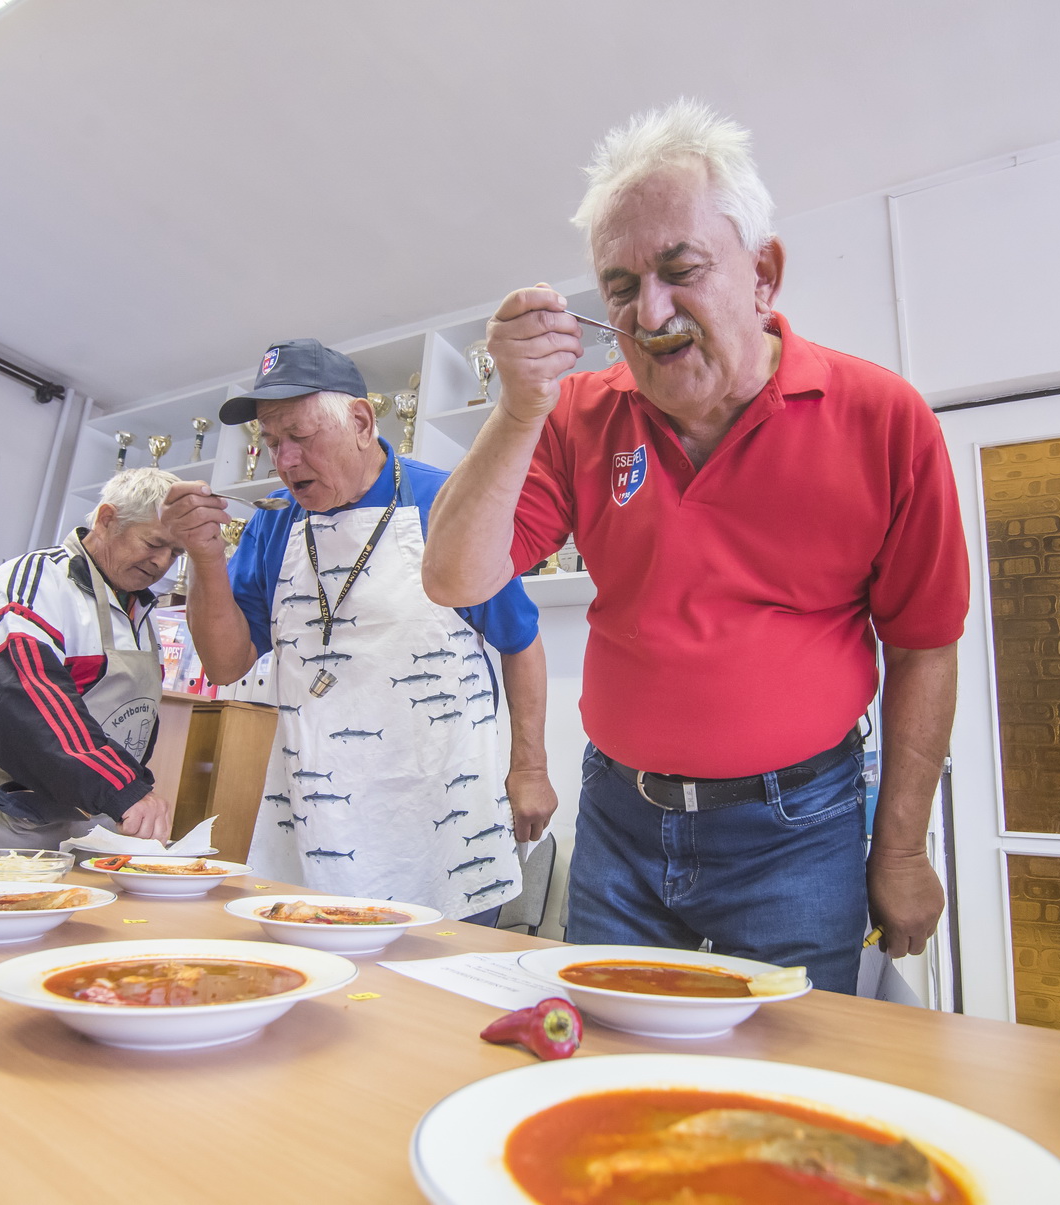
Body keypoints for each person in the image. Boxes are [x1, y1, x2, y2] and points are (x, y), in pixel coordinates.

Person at [422, 101, 969, 993]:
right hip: (619, 817)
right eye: (621, 288)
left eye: (680, 271)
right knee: (609, 1051)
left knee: (786, 1064)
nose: (650, 312)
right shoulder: (576, 414)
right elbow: (452, 576)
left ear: (763, 275)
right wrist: (518, 409)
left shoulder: (882, 417)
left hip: (800, 827)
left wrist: (901, 848)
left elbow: (923, 649)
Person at [161, 339, 554, 922]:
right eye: (271, 442)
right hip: (313, 819)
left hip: (442, 818)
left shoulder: (443, 501)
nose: (284, 460)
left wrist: (530, 769)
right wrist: (204, 557)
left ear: (362, 423)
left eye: (300, 435)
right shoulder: (274, 523)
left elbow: (520, 641)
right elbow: (225, 664)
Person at [0, 470, 181, 849]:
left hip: (93, 814)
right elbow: (19, 698)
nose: (162, 563)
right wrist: (119, 787)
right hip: (2, 812)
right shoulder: (32, 583)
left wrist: (126, 791)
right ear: (106, 519)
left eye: (176, 553)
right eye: (153, 543)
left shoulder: (138, 612)